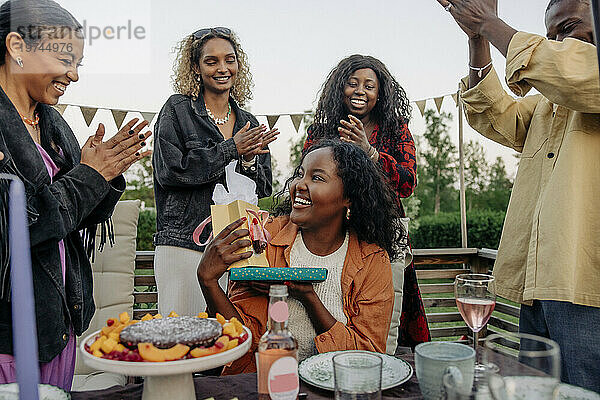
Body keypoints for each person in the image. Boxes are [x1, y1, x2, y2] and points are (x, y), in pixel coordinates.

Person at [437, 0, 600, 391]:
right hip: (538, 283)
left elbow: (572, 72)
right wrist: (477, 39)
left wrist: (489, 21)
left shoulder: (585, 78)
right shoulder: (549, 102)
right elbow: (495, 114)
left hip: (587, 285)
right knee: (538, 393)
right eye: (551, 35)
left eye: (570, 26)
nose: (559, 40)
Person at [0, 0, 151, 390]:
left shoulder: (52, 125)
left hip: (57, 326)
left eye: (79, 63)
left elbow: (76, 216)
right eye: (65, 58)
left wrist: (106, 175)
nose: (74, 75)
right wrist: (89, 176)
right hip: (9, 334)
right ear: (17, 47)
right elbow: (17, 225)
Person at [197, 140, 403, 372]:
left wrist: (308, 297)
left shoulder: (372, 259)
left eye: (317, 178)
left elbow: (368, 354)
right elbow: (243, 336)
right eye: (300, 174)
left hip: (334, 387)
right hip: (265, 381)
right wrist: (208, 282)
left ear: (349, 197)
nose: (299, 185)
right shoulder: (265, 238)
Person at [303, 55, 429, 353]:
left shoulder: (395, 130)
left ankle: (379, 369)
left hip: (384, 232)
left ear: (380, 93)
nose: (360, 90)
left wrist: (369, 152)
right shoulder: (319, 132)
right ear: (339, 88)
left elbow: (407, 183)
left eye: (369, 86)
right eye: (352, 83)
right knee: (337, 304)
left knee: (385, 318)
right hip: (333, 235)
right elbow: (307, 180)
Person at [153, 27, 278, 317]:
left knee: (226, 341)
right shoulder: (178, 110)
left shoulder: (248, 120)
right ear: (195, 68)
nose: (223, 68)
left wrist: (246, 161)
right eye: (211, 61)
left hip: (234, 248)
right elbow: (170, 172)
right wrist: (230, 149)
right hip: (184, 245)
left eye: (229, 60)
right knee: (180, 337)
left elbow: (264, 189)